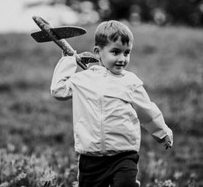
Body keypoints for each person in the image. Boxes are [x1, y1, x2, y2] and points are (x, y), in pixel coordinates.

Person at [50, 20, 173, 187]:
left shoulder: (130, 82)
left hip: (123, 155)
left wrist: (162, 132)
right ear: (98, 52)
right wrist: (68, 60)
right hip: (90, 158)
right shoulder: (83, 80)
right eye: (115, 52)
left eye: (127, 53)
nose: (122, 59)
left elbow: (147, 111)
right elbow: (58, 90)